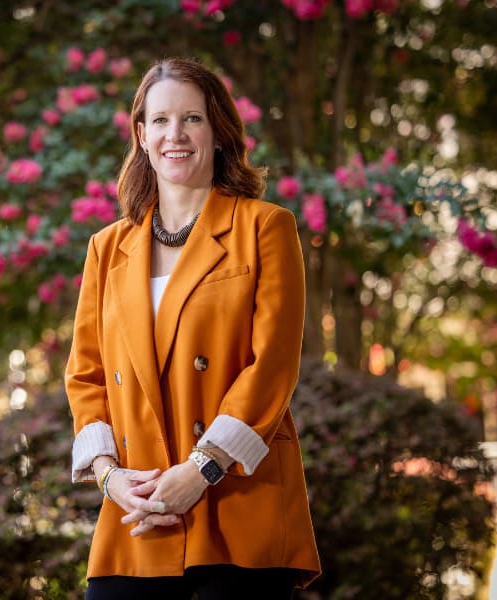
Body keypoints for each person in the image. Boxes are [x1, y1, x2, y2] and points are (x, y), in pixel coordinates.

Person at [65, 57, 321, 599]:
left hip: (237, 503)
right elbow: (86, 376)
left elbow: (272, 365)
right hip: (137, 510)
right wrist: (111, 477)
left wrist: (200, 470)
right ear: (141, 135)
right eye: (159, 121)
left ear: (219, 133)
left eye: (192, 119)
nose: (174, 135)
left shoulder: (266, 228)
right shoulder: (106, 248)